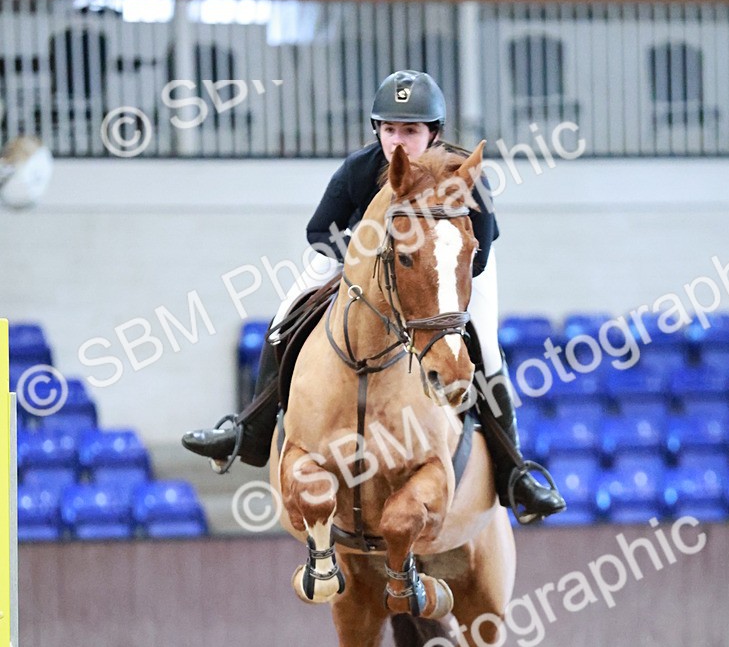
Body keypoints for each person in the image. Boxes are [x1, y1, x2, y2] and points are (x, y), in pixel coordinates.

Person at [182, 70, 565, 522]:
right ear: (376, 130)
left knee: (484, 342)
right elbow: (317, 232)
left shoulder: (465, 177)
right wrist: (368, 256)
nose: (398, 141)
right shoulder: (360, 169)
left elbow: (474, 257)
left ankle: (515, 471)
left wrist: (426, 278)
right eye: (389, 129)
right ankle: (249, 430)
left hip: (453, 268)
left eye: (411, 131)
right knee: (287, 315)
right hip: (366, 262)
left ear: (434, 133)